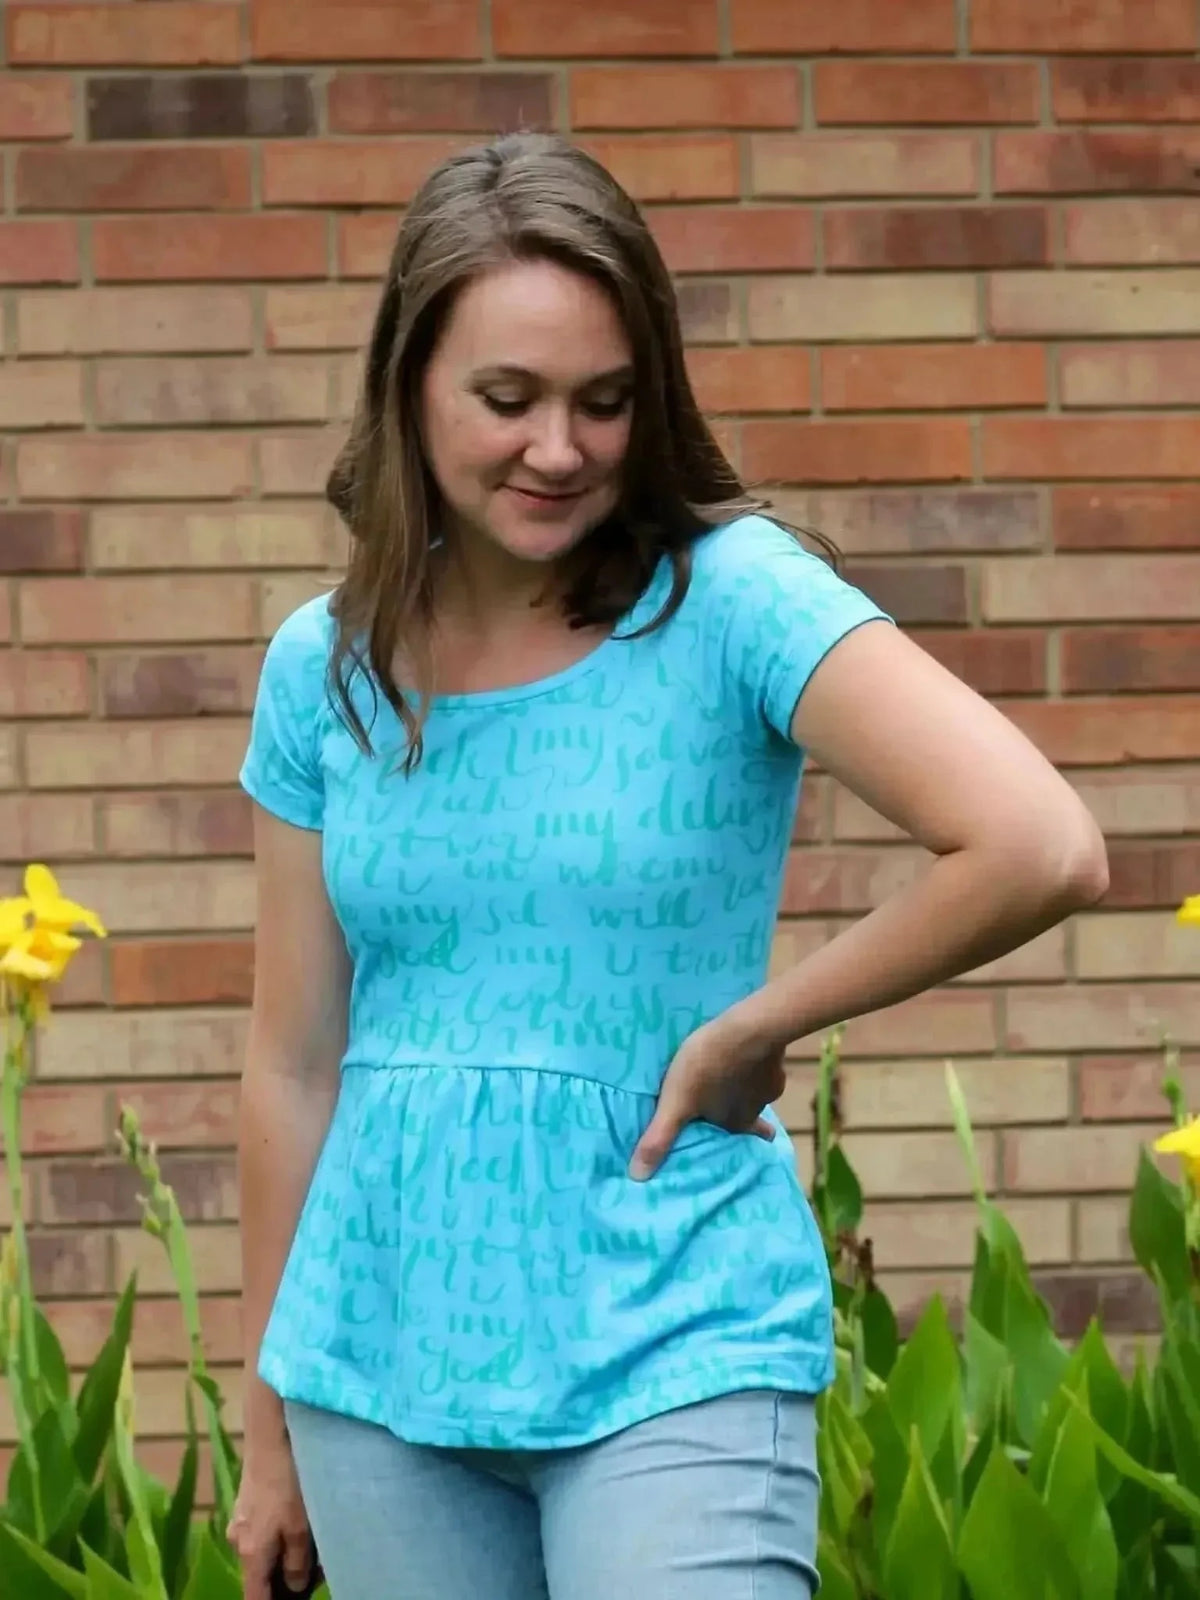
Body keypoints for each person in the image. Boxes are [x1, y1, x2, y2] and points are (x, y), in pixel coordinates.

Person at [227, 132, 1108, 1600]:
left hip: (674, 1326)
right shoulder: (325, 666)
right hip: (375, 1363)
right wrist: (266, 1428)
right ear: (410, 388)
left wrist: (762, 1027)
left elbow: (1039, 844)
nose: (559, 448)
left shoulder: (734, 602)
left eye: (604, 401)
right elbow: (291, 1064)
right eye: (507, 399)